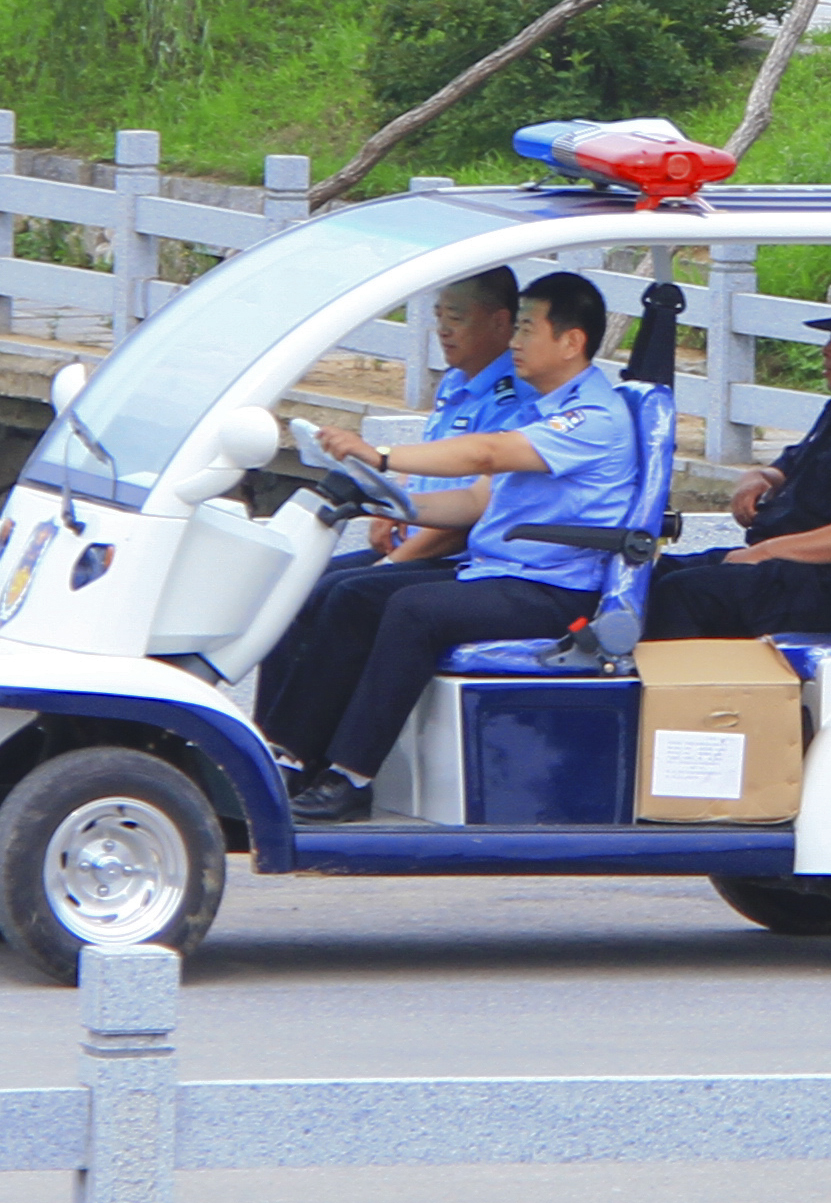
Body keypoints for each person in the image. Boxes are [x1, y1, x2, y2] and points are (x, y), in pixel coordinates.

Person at [279, 269, 651, 821]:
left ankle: (351, 775)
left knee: (413, 610)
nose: (515, 342)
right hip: (499, 570)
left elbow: (483, 456)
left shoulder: (590, 417)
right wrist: (384, 501)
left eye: (527, 330)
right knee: (353, 595)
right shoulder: (543, 406)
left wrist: (381, 457)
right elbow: (478, 500)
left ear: (571, 342)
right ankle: (291, 757)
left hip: (554, 587)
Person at [250, 266, 524, 757]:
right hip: (417, 533)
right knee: (294, 588)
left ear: (501, 323)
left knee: (345, 596)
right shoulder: (458, 382)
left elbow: (474, 512)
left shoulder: (514, 401)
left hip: (452, 552)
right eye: (439, 316)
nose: (442, 329)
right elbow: (436, 461)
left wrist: (393, 561)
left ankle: (302, 754)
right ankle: (265, 739)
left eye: (456, 317)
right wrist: (391, 498)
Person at [642, 286, 831, 643]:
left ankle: (679, 692)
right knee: (653, 573)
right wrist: (760, 476)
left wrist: (760, 553)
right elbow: (794, 464)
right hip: (784, 565)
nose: (827, 351)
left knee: (684, 593)